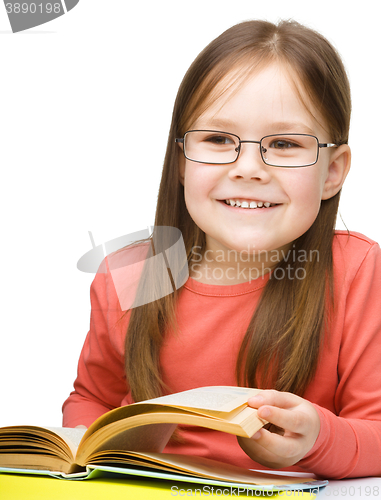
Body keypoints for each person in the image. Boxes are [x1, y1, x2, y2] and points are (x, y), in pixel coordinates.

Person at [62, 20, 381, 479]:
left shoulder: (355, 271)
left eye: (285, 144)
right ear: (182, 161)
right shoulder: (131, 274)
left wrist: (317, 439)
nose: (248, 168)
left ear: (333, 171)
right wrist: (90, 443)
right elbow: (91, 397)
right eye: (218, 140)